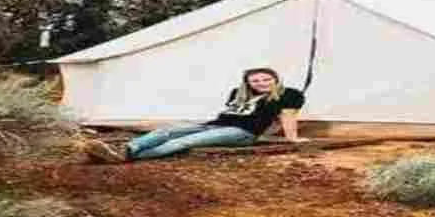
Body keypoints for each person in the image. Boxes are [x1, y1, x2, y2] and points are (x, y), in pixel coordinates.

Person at [82, 67, 306, 163]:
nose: (261, 83)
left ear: (275, 79)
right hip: (214, 126)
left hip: (242, 133)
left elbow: (287, 117)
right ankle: (127, 149)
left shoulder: (289, 94)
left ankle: (124, 158)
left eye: (266, 79)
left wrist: (292, 137)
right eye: (255, 80)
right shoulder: (238, 93)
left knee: (185, 141)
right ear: (247, 82)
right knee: (166, 130)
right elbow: (229, 114)